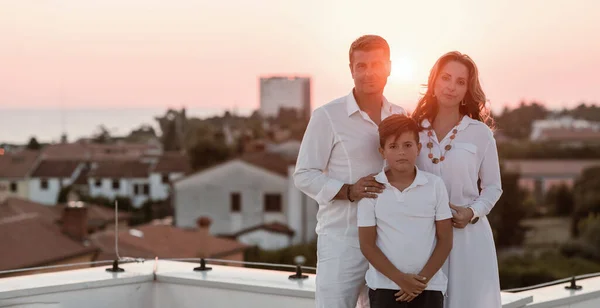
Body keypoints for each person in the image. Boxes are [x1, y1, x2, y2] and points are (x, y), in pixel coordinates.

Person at [294, 34, 406, 308]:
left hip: (389, 241)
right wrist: (348, 191)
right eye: (362, 65)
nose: (369, 73)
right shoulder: (327, 116)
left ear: (389, 67)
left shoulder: (400, 115)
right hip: (343, 241)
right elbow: (304, 174)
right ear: (351, 69)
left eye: (377, 64)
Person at [412, 51, 503, 308]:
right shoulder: (413, 130)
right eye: (446, 78)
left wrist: (471, 212)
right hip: (423, 238)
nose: (451, 87)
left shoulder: (480, 134)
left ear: (467, 90)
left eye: (460, 82)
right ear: (434, 81)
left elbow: (493, 187)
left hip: (469, 239)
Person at [357, 114, 453, 308]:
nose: (401, 152)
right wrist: (400, 279)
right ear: (382, 151)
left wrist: (420, 282)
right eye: (393, 146)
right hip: (384, 287)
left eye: (408, 145)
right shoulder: (372, 189)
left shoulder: (435, 185)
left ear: (418, 148)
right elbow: (367, 245)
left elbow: (446, 240)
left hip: (428, 287)